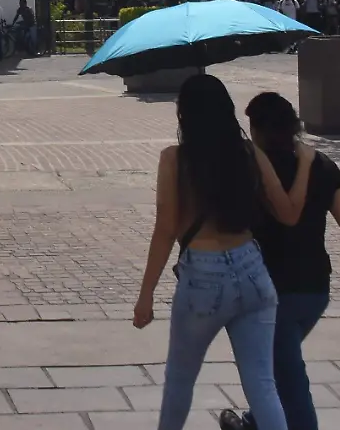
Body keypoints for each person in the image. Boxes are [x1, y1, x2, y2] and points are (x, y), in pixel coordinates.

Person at [133, 73, 313, 430]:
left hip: (203, 276)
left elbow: (166, 230)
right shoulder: (250, 154)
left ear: (184, 115)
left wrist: (146, 295)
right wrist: (305, 163)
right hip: (251, 270)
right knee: (262, 384)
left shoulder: (175, 160)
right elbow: (290, 213)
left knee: (181, 379)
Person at [232, 92, 340, 430]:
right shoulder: (321, 165)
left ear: (258, 129)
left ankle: (262, 421)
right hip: (314, 290)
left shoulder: (250, 168)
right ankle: (254, 419)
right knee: (280, 364)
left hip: (269, 291)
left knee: (290, 380)